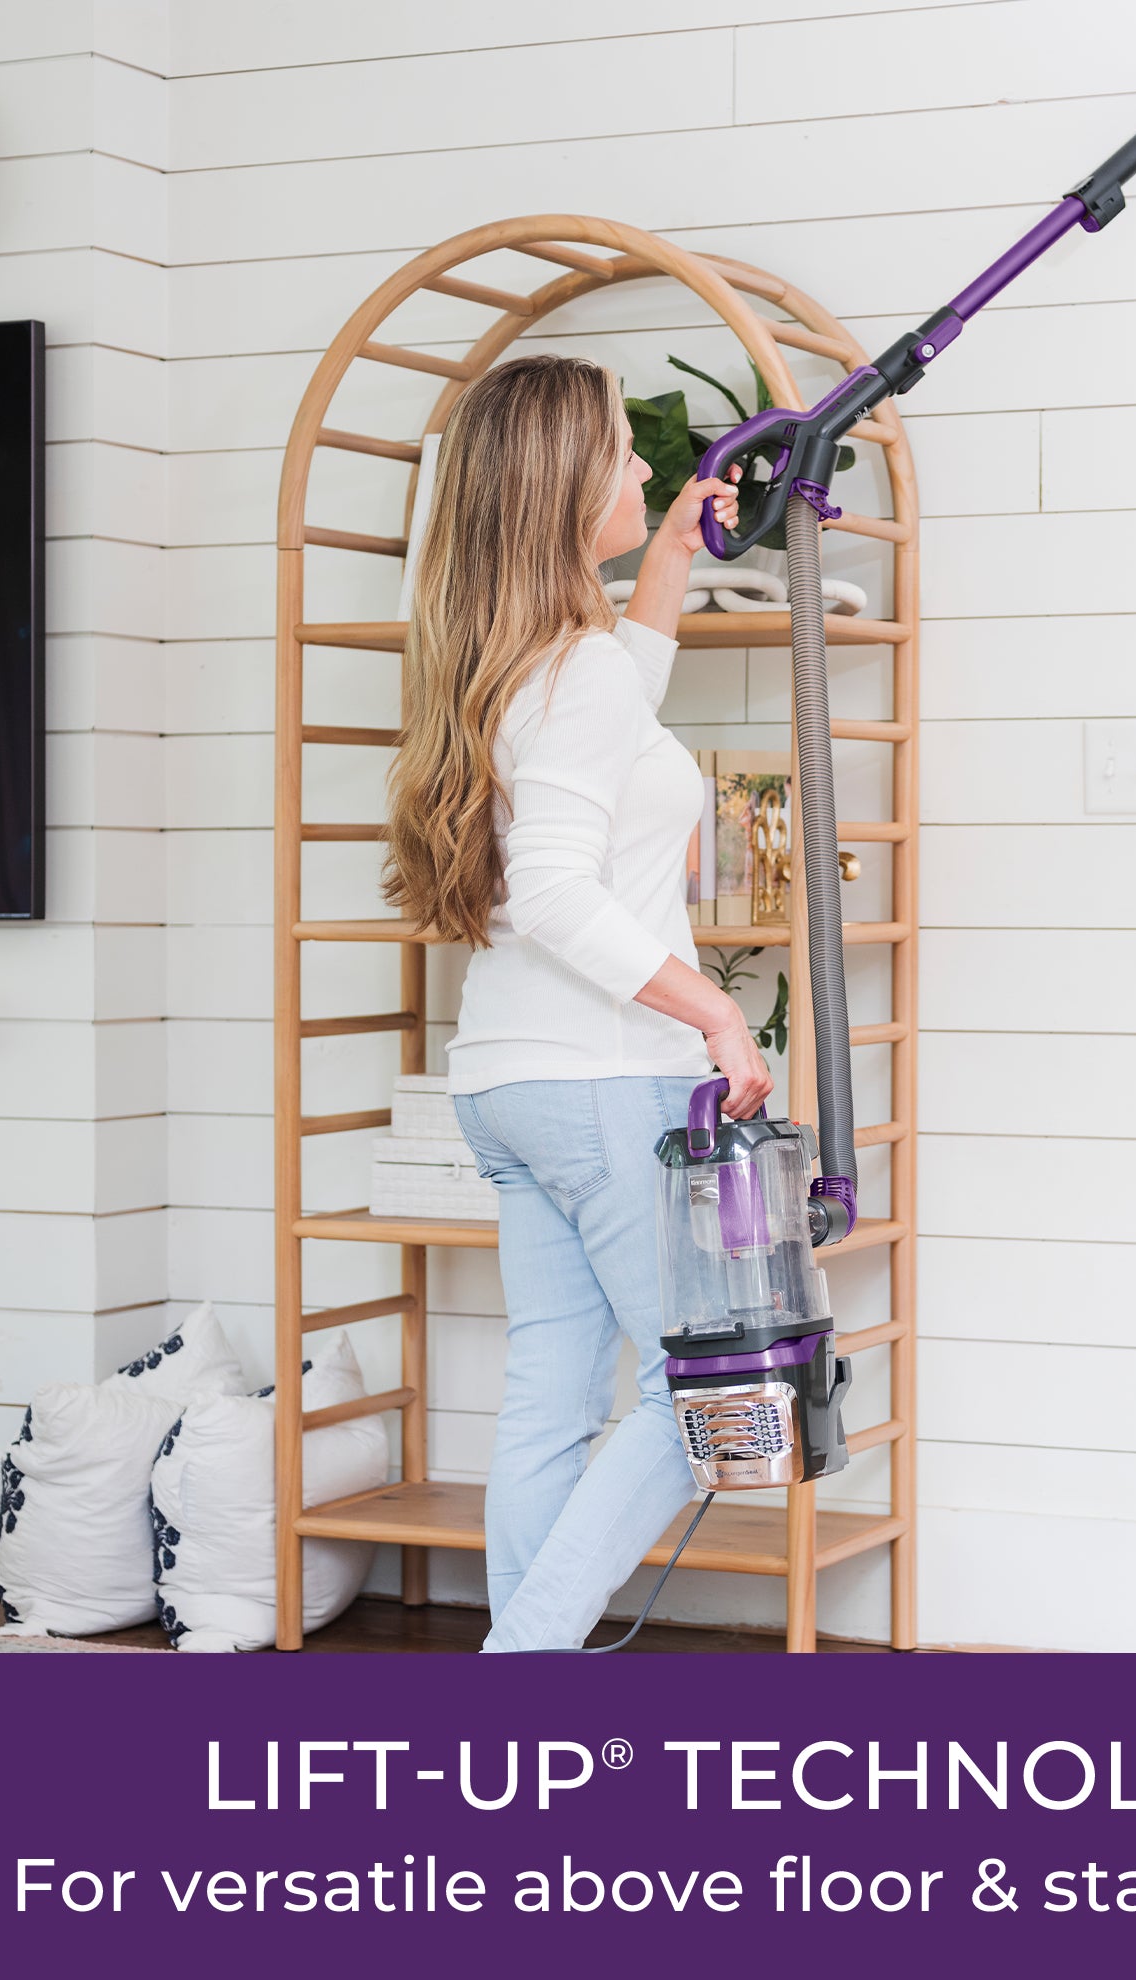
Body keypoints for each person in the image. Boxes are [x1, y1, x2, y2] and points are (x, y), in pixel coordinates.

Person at [383, 353, 766, 1651]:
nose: (647, 466)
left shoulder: (531, 661)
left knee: (550, 1400)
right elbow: (552, 886)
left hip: (510, 1082)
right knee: (688, 1390)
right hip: (609, 1079)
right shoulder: (575, 672)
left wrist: (665, 556)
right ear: (563, 486)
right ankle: (517, 1675)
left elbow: (621, 714)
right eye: (626, 453)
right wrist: (713, 1010)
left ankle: (519, 1713)